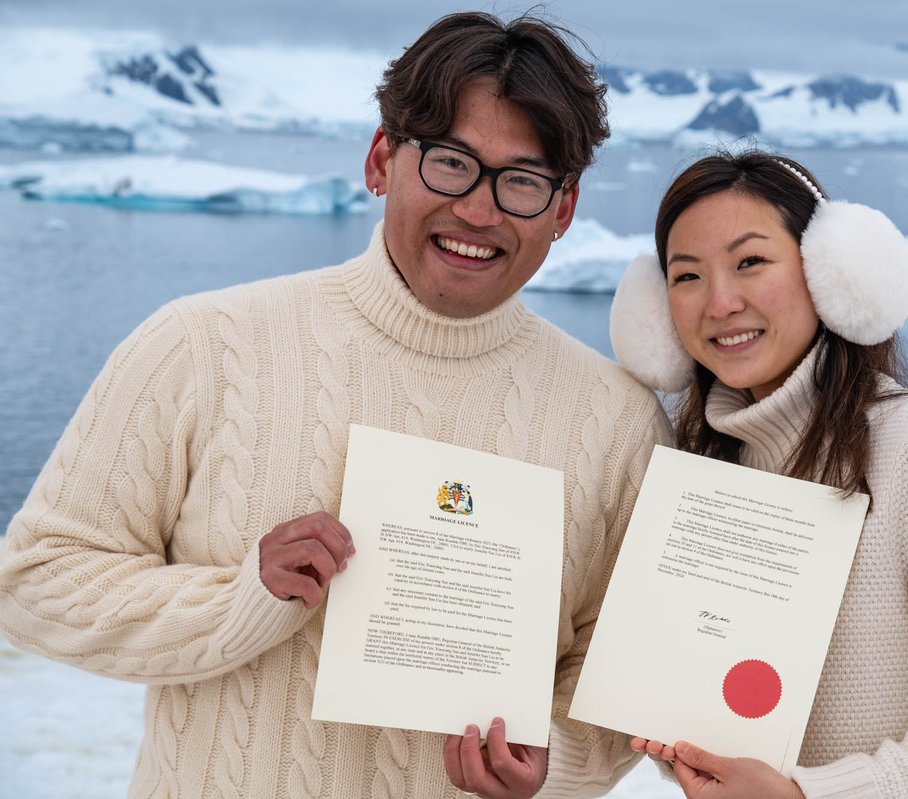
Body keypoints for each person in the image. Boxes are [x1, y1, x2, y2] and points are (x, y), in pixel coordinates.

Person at [0, 12, 670, 799]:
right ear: (382, 158)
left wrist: (552, 756)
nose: (481, 211)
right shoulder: (203, 345)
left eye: (522, 181)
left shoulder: (618, 422)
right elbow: (36, 582)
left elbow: (623, 677)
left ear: (562, 209)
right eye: (451, 162)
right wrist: (243, 596)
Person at [608, 150, 908, 798]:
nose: (721, 301)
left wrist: (809, 794)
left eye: (750, 261)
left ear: (831, 272)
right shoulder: (698, 466)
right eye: (687, 275)